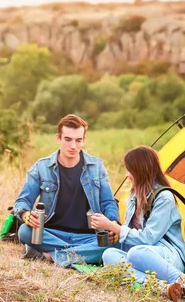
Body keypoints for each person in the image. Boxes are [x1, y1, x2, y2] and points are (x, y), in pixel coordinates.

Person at [91, 146, 185, 302]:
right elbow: (132, 236)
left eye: (130, 170)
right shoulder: (133, 196)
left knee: (136, 252)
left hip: (168, 256)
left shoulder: (164, 197)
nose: (126, 175)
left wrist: (113, 226)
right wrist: (114, 236)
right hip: (141, 255)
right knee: (108, 255)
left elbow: (148, 239)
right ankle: (161, 287)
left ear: (140, 171)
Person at [12, 114, 120, 266]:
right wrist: (26, 214)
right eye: (68, 139)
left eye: (78, 140)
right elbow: (22, 201)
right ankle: (84, 254)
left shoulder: (97, 167)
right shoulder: (41, 167)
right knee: (24, 231)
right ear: (58, 138)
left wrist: (113, 224)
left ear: (84, 140)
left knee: (116, 242)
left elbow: (108, 202)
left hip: (88, 236)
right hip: (52, 233)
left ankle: (49, 257)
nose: (73, 146)